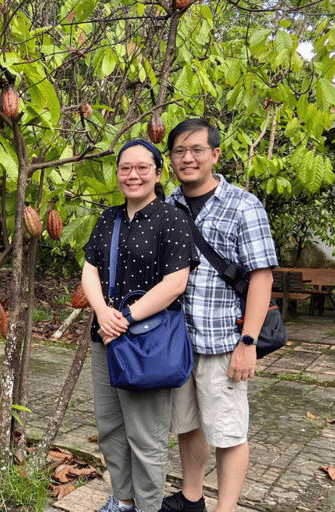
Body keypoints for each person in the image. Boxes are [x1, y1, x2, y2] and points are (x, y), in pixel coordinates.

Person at [160, 119, 276, 512]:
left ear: (215, 154)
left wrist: (249, 343)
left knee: (227, 432)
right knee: (188, 425)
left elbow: (261, 277)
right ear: (171, 157)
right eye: (179, 151)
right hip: (177, 342)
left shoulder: (244, 205)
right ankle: (192, 498)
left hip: (224, 342)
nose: (187, 158)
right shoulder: (167, 205)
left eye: (196, 149)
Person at [82, 139, 198, 512]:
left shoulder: (172, 219)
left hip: (148, 344)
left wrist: (126, 318)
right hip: (106, 339)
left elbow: (175, 283)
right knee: (112, 431)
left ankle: (149, 508)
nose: (133, 175)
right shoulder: (108, 219)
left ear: (158, 173)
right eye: (125, 168)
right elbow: (90, 269)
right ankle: (124, 501)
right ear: (117, 173)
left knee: (146, 439)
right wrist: (102, 313)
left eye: (142, 168)